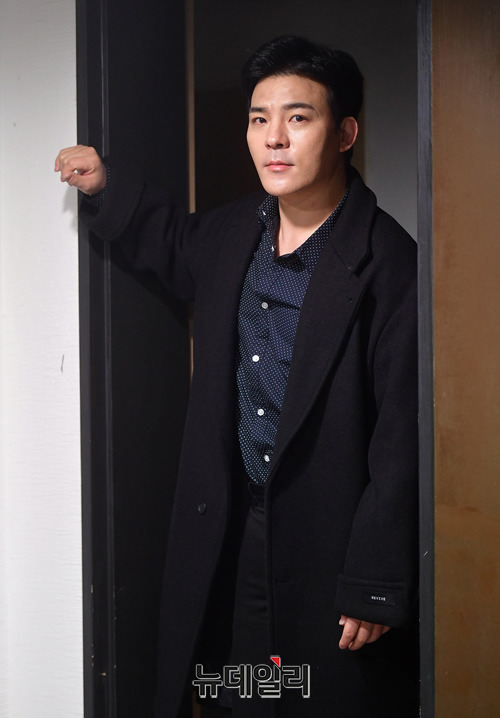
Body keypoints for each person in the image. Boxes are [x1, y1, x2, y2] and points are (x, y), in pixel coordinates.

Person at [56, 35, 419, 718]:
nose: (274, 138)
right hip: (236, 530)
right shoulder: (235, 232)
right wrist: (106, 184)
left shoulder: (390, 261)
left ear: (345, 133)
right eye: (259, 119)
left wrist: (375, 581)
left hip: (329, 539)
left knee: (324, 698)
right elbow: (172, 241)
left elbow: (403, 436)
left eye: (298, 118)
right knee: (238, 693)